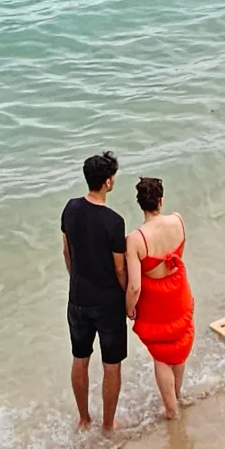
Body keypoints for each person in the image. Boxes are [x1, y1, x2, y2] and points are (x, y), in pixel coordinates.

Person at [63, 151, 128, 432]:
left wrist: (75, 279)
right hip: (108, 303)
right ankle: (109, 424)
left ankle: (84, 418)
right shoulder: (114, 222)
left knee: (80, 358)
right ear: (108, 182)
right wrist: (128, 297)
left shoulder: (70, 208)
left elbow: (67, 252)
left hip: (77, 297)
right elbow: (120, 269)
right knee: (111, 365)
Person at [125, 177, 193, 420]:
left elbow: (134, 286)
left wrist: (129, 309)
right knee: (179, 344)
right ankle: (177, 396)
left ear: (140, 204)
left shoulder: (136, 239)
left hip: (155, 300)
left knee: (161, 356)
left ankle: (171, 410)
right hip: (178, 291)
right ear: (161, 201)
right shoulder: (178, 220)